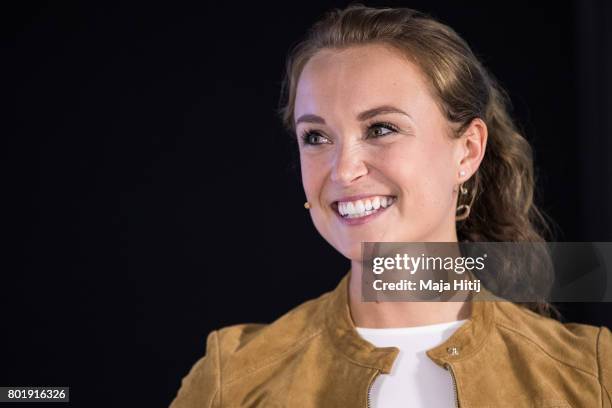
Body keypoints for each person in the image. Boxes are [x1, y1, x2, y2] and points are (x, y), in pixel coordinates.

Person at [170, 5, 611, 407]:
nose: (343, 170)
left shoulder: (592, 374)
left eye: (381, 128)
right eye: (316, 137)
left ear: (468, 151)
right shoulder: (233, 380)